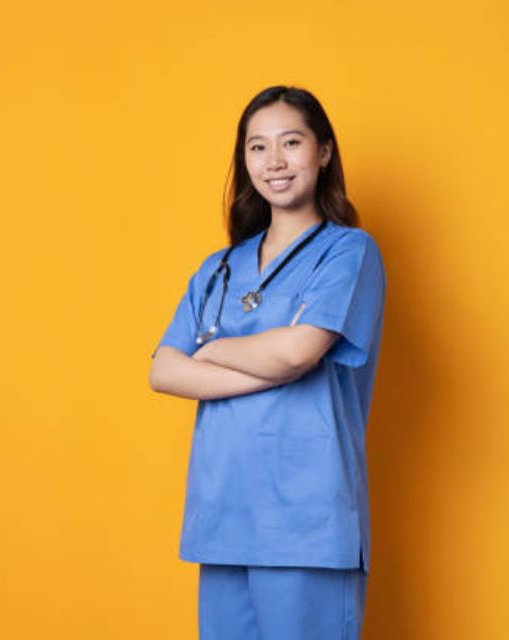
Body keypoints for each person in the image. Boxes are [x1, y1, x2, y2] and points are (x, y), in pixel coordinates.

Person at [149, 85, 386, 640]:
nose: (274, 162)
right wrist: (269, 362)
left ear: (323, 152)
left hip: (306, 522)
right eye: (257, 147)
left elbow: (297, 352)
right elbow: (163, 370)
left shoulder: (349, 251)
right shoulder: (218, 268)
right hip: (225, 516)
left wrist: (211, 350)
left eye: (291, 142)